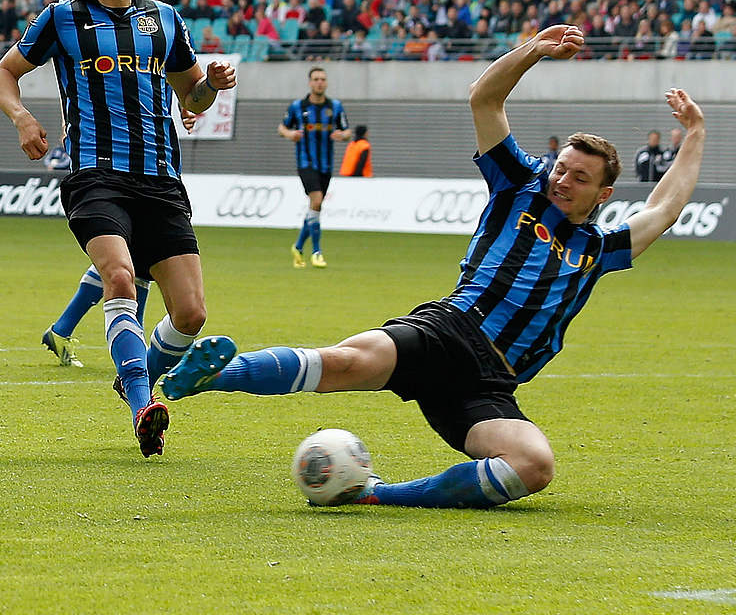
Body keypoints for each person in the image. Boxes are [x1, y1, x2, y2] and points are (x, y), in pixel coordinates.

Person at [160, 25, 707, 509]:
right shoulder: (519, 185)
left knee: (534, 465)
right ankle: (214, 376)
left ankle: (374, 492)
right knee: (346, 363)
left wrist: (696, 136)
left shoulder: (599, 247)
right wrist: (532, 51)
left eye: (579, 178)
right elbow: (484, 99)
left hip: (491, 383)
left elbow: (662, 209)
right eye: (562, 168)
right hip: (451, 330)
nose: (563, 181)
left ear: (604, 192)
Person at [0, 0, 236, 457]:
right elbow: (4, 73)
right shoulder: (61, 18)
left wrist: (212, 87)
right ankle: (142, 407)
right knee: (120, 277)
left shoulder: (166, 21)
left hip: (161, 181)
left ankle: (136, 377)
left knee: (191, 314)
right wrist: (23, 118)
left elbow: (190, 96)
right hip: (95, 176)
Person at [39, 0, 193, 369]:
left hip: (158, 173)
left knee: (150, 281)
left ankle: (67, 329)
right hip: (101, 170)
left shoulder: (164, 23)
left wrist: (194, 99)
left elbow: (185, 88)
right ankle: (133, 366)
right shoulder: (70, 17)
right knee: (124, 271)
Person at [278, 67, 352, 268]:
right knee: (317, 200)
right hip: (305, 162)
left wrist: (342, 135)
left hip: (326, 164)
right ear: (310, 82)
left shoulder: (335, 107)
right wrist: (289, 134)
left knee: (315, 206)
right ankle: (317, 252)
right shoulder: (298, 107)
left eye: (323, 79)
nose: (320, 82)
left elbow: (347, 131)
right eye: (316, 79)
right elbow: (282, 127)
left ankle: (299, 246)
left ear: (326, 83)